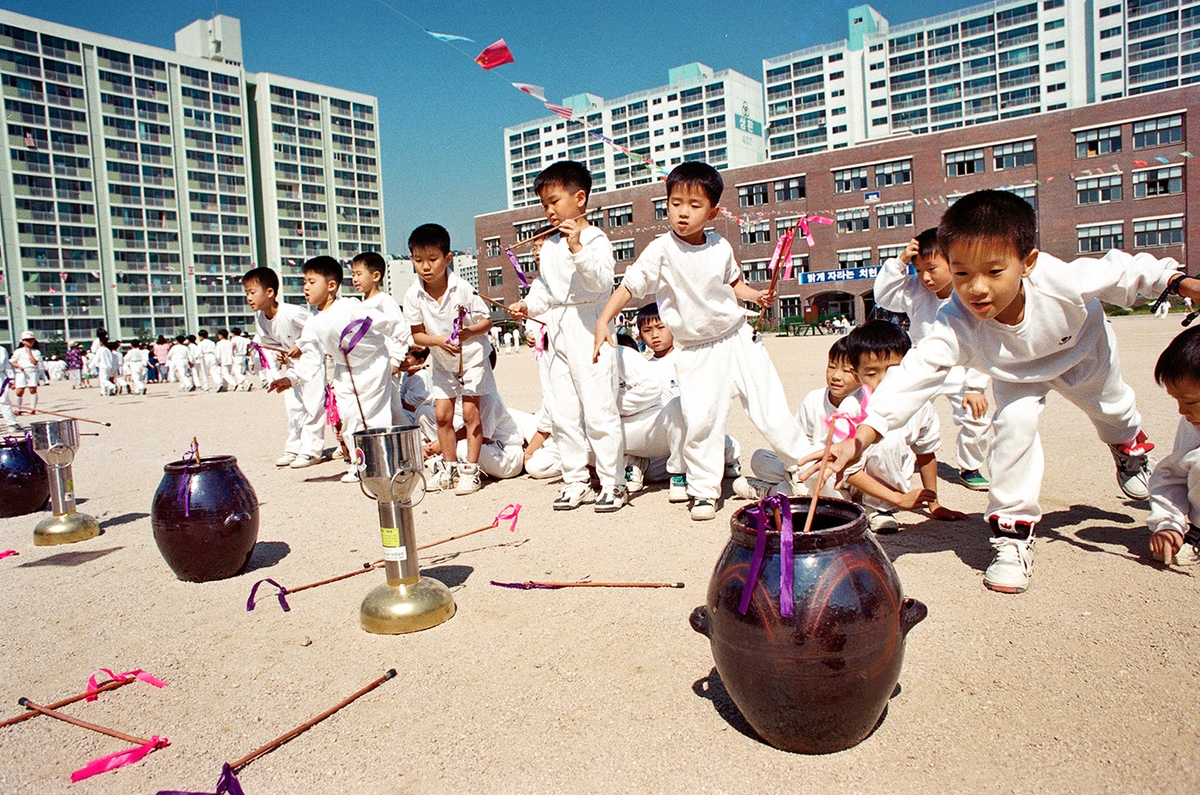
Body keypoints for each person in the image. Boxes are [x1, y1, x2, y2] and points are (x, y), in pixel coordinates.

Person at [801, 189, 1198, 595]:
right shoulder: (955, 321)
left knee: (1114, 411)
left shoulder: (1061, 279)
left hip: (1081, 350)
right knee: (1013, 427)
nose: (976, 289)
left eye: (993, 272)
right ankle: (1012, 534)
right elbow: (912, 376)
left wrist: (1181, 283)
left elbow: (1126, 270)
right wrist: (859, 439)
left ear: (1027, 262)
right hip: (1014, 373)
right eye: (962, 274)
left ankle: (1127, 449)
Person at [593, 162, 810, 521]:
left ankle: (806, 469)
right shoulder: (660, 249)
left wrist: (755, 296)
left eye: (694, 205)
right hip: (695, 349)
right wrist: (604, 319)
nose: (683, 212)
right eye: (676, 202)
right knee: (702, 421)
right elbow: (630, 286)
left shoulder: (720, 245)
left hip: (738, 337)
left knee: (769, 409)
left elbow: (733, 283)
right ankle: (704, 490)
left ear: (713, 211)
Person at [508, 161, 625, 513]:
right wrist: (527, 306)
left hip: (590, 324)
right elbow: (546, 290)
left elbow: (601, 282)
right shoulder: (552, 246)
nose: (549, 210)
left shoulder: (594, 238)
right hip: (556, 328)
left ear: (579, 198)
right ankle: (575, 479)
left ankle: (612, 482)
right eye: (544, 204)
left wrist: (577, 247)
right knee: (562, 410)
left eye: (554, 201)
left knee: (599, 408)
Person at [875, 228, 993, 491]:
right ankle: (892, 461)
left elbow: (983, 340)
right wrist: (900, 262)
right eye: (919, 270)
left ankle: (970, 466)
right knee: (900, 411)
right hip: (922, 361)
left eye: (932, 268)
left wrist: (975, 386)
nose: (925, 277)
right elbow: (883, 295)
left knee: (974, 416)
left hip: (961, 365)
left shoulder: (969, 292)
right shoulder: (915, 290)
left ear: (953, 262)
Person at [275, 257, 404, 484]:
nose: (305, 287)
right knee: (349, 418)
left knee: (374, 417)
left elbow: (391, 325)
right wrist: (291, 378)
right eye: (304, 282)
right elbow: (311, 359)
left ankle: (384, 463)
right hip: (344, 372)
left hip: (373, 365)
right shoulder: (312, 325)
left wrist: (397, 356)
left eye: (311, 282)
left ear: (331, 286)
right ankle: (359, 464)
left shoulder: (350, 306)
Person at [840, 321, 967, 532]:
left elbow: (926, 452)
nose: (884, 380)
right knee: (888, 439)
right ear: (856, 375)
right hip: (845, 483)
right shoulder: (851, 408)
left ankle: (879, 506)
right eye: (872, 374)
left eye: (893, 371)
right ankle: (873, 508)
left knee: (894, 440)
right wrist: (899, 499)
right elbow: (846, 469)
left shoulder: (921, 407)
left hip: (879, 480)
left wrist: (933, 503)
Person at [403, 224, 493, 495]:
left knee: (469, 413)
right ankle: (449, 468)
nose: (425, 267)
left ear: (448, 258)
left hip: (473, 357)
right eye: (418, 260)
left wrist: (468, 332)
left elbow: (486, 321)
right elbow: (418, 336)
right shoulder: (412, 295)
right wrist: (441, 341)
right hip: (443, 360)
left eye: (432, 260)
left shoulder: (462, 288)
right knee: (442, 415)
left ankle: (470, 471)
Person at [735, 336, 861, 501]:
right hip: (808, 467)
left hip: (843, 474)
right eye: (831, 366)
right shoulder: (814, 399)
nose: (836, 376)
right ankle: (798, 491)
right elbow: (798, 442)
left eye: (846, 370)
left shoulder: (862, 405)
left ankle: (772, 493)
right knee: (760, 459)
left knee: (819, 479)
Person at [242, 266, 326, 471]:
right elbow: (272, 342)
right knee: (294, 407)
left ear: (269, 292)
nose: (248, 298)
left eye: (252, 292)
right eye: (246, 294)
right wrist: (282, 353)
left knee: (313, 405)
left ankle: (312, 450)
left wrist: (301, 345)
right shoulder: (261, 320)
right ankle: (294, 447)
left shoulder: (291, 312)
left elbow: (316, 326)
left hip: (311, 361)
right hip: (292, 366)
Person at [1146, 326, 1200, 567]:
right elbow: (1172, 477)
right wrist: (1169, 524)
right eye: (1176, 400)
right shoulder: (1193, 423)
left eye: (1189, 401)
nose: (1181, 410)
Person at [352, 251, 412, 421]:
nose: (355, 279)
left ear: (376, 275)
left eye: (359, 274)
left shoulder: (385, 302)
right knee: (373, 409)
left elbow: (400, 332)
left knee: (392, 408)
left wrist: (395, 360)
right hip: (369, 366)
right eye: (353, 275)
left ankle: (413, 440)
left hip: (387, 365)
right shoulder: (360, 305)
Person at [10, 331, 43, 412]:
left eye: (31, 340)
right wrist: (18, 366)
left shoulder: (36, 352)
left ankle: (32, 408)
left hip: (32, 371)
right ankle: (18, 409)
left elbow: (35, 362)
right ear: (23, 341)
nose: (29, 342)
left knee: (33, 389)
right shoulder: (18, 351)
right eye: (27, 340)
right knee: (19, 391)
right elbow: (12, 361)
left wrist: (29, 352)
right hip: (21, 372)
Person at [0, 341, 18, 432]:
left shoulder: (1, 350)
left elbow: (7, 366)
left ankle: (11, 423)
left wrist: (11, 380)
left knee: (4, 400)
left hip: (0, 377)